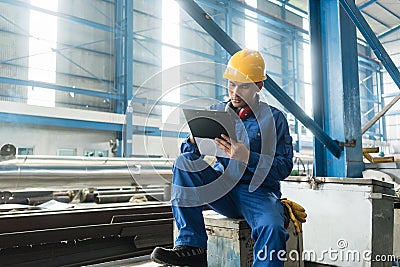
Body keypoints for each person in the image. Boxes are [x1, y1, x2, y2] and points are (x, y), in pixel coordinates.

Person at [151, 49, 294, 267]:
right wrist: (192, 140)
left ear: (259, 86)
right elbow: (188, 159)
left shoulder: (275, 119)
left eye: (244, 86)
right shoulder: (215, 111)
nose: (235, 92)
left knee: (273, 227)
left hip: (258, 193)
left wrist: (248, 157)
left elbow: (284, 168)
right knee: (183, 163)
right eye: (231, 84)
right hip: (221, 188)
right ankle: (192, 246)